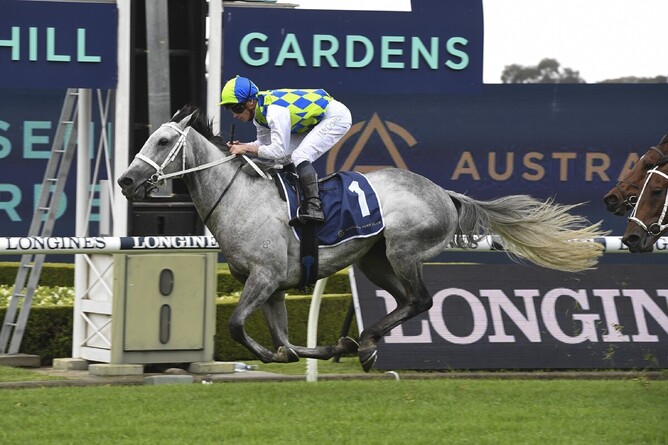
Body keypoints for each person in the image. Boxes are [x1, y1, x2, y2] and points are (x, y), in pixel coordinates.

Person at [220, 75, 352, 225]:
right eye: (230, 109)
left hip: (335, 117)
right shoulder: (259, 115)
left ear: (250, 102)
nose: (234, 115)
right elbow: (264, 145)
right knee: (283, 159)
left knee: (300, 155)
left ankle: (315, 207)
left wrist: (245, 148)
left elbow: (277, 150)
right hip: (314, 121)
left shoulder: (274, 111)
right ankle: (295, 200)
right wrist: (243, 145)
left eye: (237, 108)